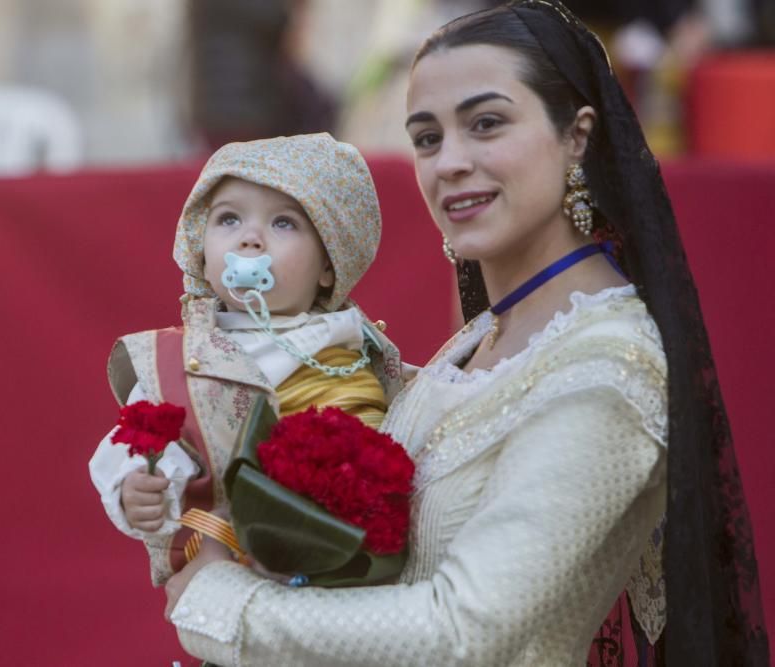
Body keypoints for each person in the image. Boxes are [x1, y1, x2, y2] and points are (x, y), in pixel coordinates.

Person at [162, 2, 769, 665]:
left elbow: (464, 630)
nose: (450, 161)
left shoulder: (608, 371)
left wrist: (224, 604)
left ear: (578, 137)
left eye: (486, 124)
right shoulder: (480, 338)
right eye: (427, 137)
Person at [88, 133, 404, 587]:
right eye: (229, 219)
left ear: (329, 265)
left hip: (348, 574)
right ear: (200, 247)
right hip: (226, 575)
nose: (250, 239)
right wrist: (135, 486)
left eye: (284, 223)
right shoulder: (180, 360)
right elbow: (135, 439)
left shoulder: (355, 348)